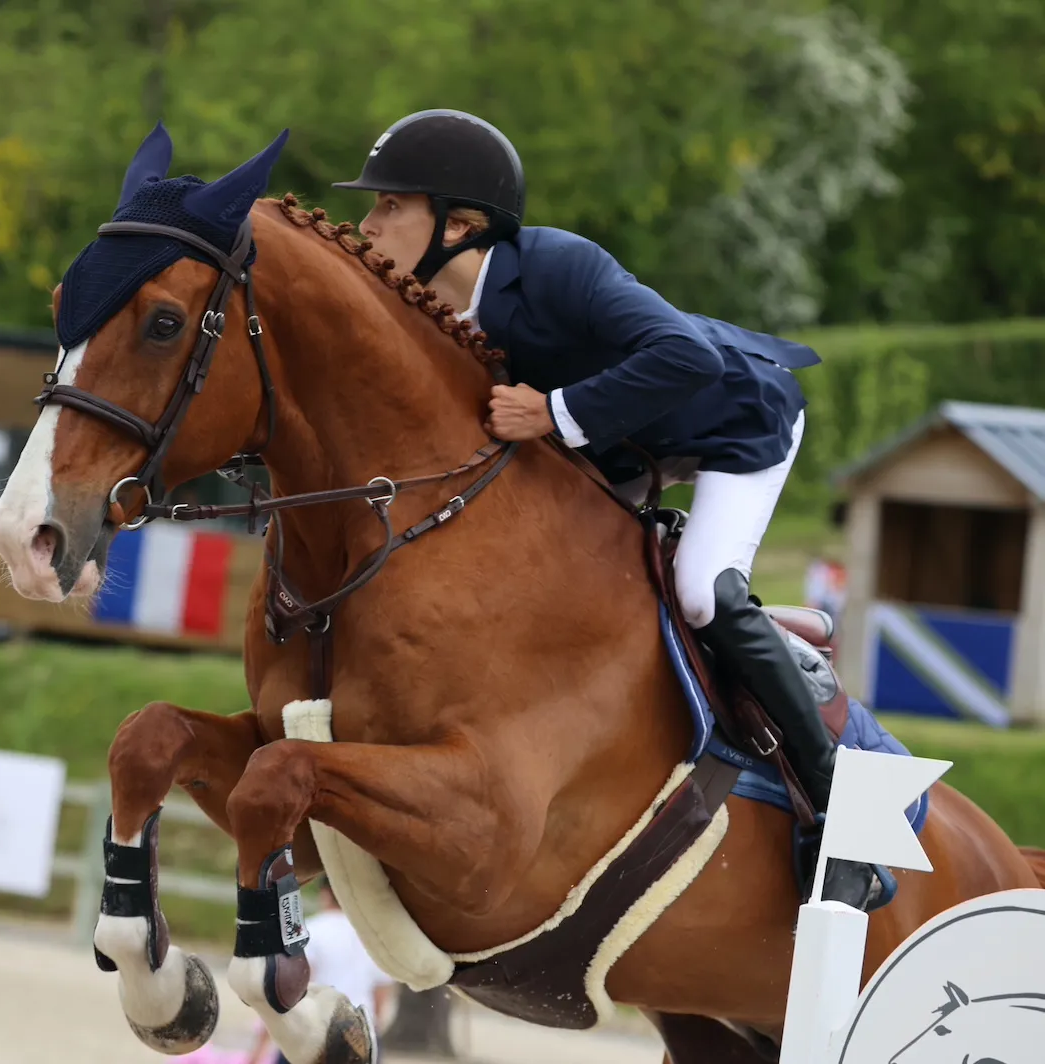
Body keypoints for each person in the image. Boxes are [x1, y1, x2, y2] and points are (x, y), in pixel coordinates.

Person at [330, 108, 881, 911]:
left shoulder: (557, 265)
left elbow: (686, 358)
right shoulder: (425, 309)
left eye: (389, 206)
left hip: (736, 420)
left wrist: (553, 414)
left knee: (703, 591)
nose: (367, 222)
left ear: (464, 224)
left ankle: (839, 814)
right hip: (621, 450)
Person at [248, 878, 395, 1064]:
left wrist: (261, 1045)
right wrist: (373, 1031)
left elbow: (289, 992)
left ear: (325, 894)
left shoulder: (307, 930)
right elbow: (381, 993)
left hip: (314, 1032)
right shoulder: (372, 938)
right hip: (359, 1033)